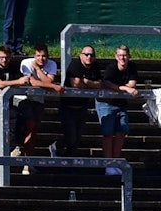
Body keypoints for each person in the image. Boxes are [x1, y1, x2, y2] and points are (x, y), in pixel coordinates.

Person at [15, 45, 63, 167]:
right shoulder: (26, 62)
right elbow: (33, 82)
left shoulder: (51, 64)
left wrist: (38, 69)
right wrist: (54, 87)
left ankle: (28, 161)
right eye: (38, 56)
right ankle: (21, 152)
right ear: (34, 55)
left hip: (38, 101)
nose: (41, 58)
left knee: (34, 130)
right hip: (24, 99)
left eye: (44, 56)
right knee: (30, 126)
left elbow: (48, 81)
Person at [97, 46, 141, 174]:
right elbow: (107, 83)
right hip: (106, 103)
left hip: (121, 104)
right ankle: (108, 164)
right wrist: (125, 88)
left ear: (129, 56)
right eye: (120, 55)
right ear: (116, 56)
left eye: (125, 55)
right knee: (108, 133)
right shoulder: (111, 68)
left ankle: (115, 162)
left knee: (122, 131)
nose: (123, 58)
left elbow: (132, 84)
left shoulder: (132, 66)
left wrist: (119, 88)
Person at [57, 46, 105, 158]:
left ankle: (70, 162)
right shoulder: (75, 64)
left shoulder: (95, 66)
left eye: (92, 55)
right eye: (86, 54)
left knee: (77, 139)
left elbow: (99, 84)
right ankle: (56, 147)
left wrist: (85, 81)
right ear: (81, 55)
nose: (89, 57)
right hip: (68, 107)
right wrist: (90, 85)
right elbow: (75, 84)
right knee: (71, 137)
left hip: (82, 108)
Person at [0, 46, 27, 153]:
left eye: (7, 57)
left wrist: (8, 86)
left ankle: (13, 147)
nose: (4, 60)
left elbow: (24, 81)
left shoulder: (14, 68)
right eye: (2, 57)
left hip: (8, 105)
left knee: (16, 122)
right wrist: (15, 83)